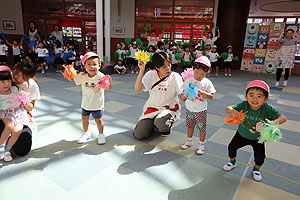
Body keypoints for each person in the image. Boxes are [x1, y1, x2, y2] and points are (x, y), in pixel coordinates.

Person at [222, 80, 287, 181]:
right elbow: (228, 108)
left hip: (258, 138)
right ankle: (232, 162)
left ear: (266, 99)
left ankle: (256, 170)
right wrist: (232, 111)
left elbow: (283, 118)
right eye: (251, 95)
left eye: (259, 96)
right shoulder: (244, 105)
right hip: (241, 134)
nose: (255, 99)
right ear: (246, 97)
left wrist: (271, 124)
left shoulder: (267, 109)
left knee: (260, 156)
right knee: (231, 147)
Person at [133, 52, 183, 139]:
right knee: (139, 135)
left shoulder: (175, 76)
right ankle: (154, 124)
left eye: (169, 64)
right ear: (157, 68)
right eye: (164, 66)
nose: (168, 68)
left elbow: (182, 97)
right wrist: (141, 70)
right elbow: (137, 88)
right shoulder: (151, 74)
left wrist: (191, 91)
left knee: (161, 122)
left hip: (168, 110)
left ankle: (164, 127)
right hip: (152, 109)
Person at [65, 52, 112, 144]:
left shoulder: (101, 76)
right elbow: (73, 79)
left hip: (97, 104)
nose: (91, 67)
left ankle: (101, 134)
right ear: (84, 66)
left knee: (98, 120)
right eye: (88, 64)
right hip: (86, 103)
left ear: (99, 65)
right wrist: (68, 74)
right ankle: (86, 133)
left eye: (94, 64)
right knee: (84, 118)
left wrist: (109, 82)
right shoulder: (82, 76)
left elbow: (108, 87)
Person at [180, 56, 216, 154]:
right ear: (193, 68)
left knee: (201, 128)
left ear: (207, 72)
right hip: (189, 109)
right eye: (196, 73)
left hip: (201, 110)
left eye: (202, 74)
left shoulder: (207, 82)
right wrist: (185, 94)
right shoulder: (189, 81)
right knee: (190, 126)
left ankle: (201, 145)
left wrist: (202, 92)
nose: (199, 76)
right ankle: (189, 141)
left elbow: (211, 96)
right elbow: (182, 95)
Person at [0, 66, 29, 162]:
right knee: (9, 126)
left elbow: (23, 94)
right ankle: (1, 147)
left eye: (8, 81)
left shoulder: (14, 89)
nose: (6, 84)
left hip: (17, 111)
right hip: (5, 112)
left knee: (17, 130)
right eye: (2, 82)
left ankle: (7, 150)